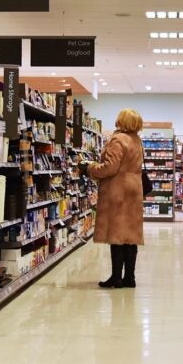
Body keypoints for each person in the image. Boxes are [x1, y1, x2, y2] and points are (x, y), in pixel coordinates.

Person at [79, 109, 144, 288]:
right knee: (130, 236)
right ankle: (129, 278)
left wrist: (90, 168)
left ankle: (116, 277)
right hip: (134, 190)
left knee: (116, 235)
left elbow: (110, 168)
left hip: (118, 191)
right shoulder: (137, 140)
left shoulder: (118, 140)